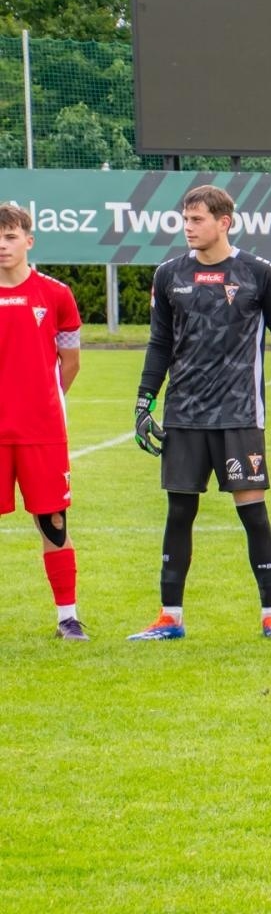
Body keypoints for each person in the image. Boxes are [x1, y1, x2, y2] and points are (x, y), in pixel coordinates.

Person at [129, 185, 271, 641]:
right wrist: (144, 401)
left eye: (197, 219)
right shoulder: (168, 275)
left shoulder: (258, 273)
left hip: (239, 414)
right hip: (184, 414)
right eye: (185, 219)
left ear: (224, 222)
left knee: (253, 514)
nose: (189, 228)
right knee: (179, 513)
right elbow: (159, 344)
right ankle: (169, 618)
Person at [0, 203, 85, 639]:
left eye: (11, 236)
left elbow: (69, 362)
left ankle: (67, 618)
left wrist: (40, 401)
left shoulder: (55, 294)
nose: (2, 245)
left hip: (42, 433)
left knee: (54, 522)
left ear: (28, 241)